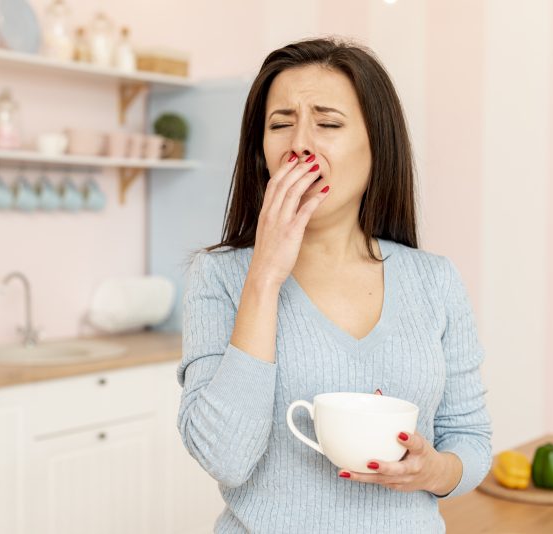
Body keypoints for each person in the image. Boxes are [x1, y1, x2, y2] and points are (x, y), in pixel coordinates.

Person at [176, 37, 492, 533]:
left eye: (327, 123)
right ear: (261, 151)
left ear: (377, 146)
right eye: (281, 124)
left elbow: (470, 440)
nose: (300, 143)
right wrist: (264, 275)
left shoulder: (435, 281)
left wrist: (434, 470)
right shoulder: (219, 277)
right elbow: (226, 458)